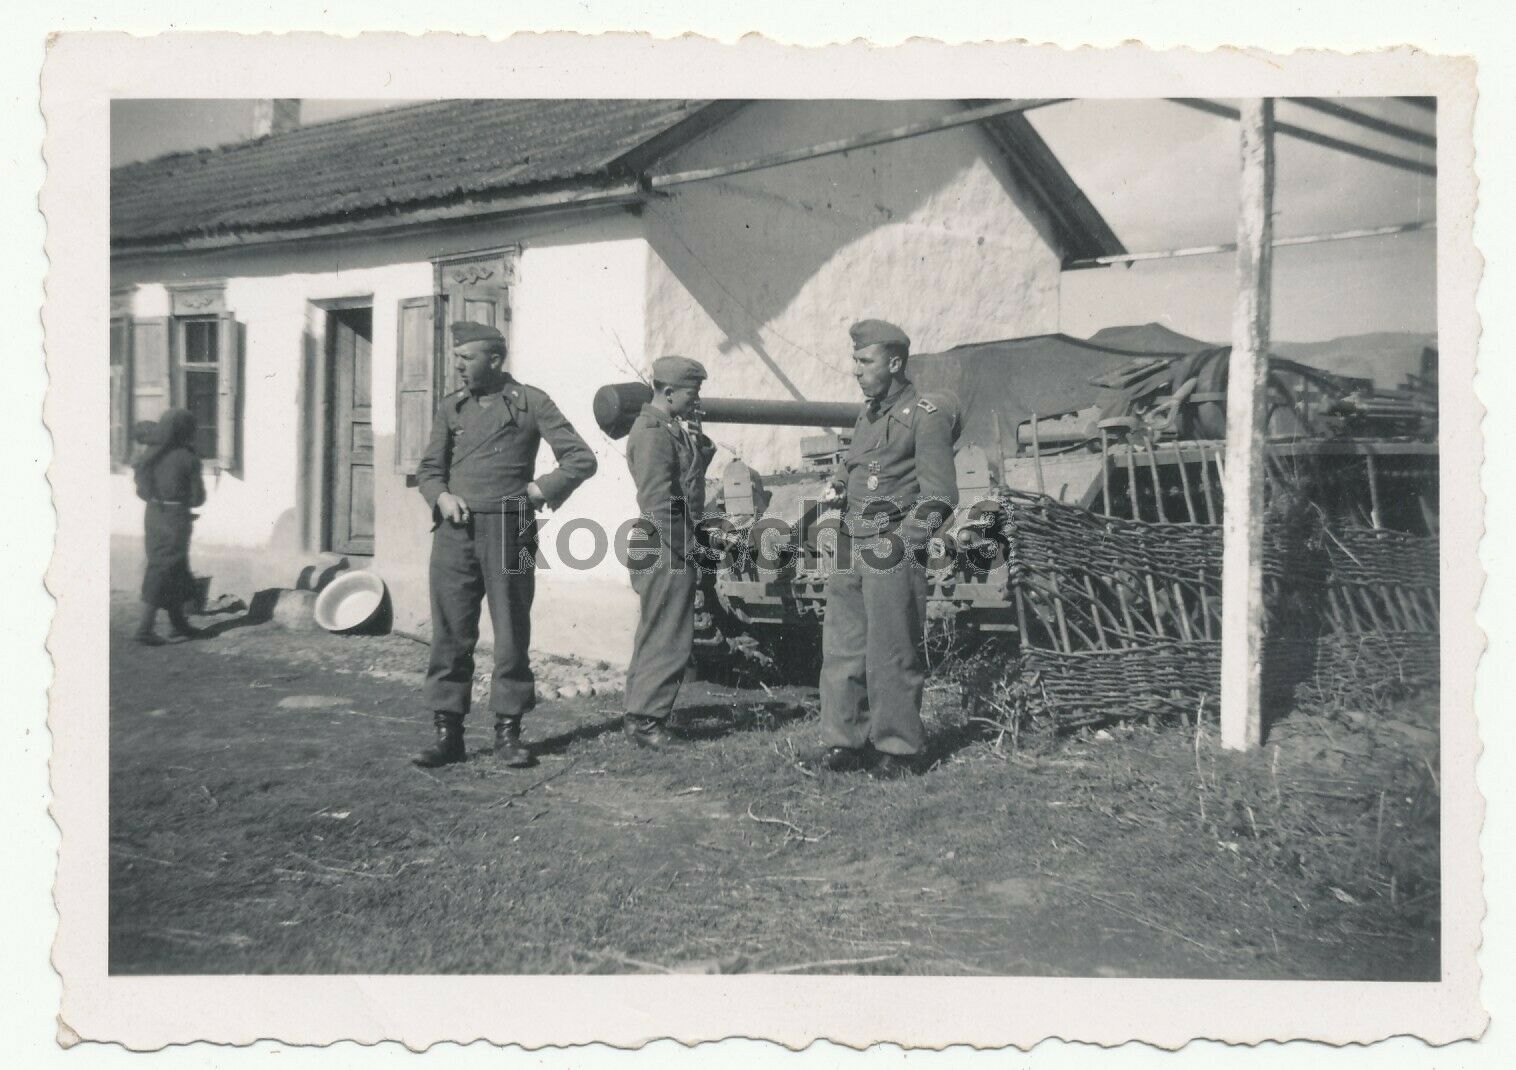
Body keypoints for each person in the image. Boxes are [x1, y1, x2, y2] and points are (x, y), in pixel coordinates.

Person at [413, 322, 598, 769]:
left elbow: (581, 458)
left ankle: (508, 733)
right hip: (455, 533)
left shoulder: (530, 402)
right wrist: (442, 497)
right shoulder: (451, 407)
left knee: (512, 632)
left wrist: (540, 490)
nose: (459, 366)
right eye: (456, 358)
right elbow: (429, 470)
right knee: (450, 633)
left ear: (495, 360)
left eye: (467, 358)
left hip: (512, 528)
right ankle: (448, 735)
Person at [813, 319, 960, 779]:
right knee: (843, 649)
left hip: (892, 546)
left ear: (895, 364)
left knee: (891, 652)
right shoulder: (869, 414)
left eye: (865, 360)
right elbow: (856, 463)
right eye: (854, 360)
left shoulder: (925, 417)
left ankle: (900, 749)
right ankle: (846, 743)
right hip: (851, 543)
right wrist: (838, 484)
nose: (855, 369)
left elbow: (940, 498)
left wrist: (902, 544)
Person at [622, 356, 718, 749]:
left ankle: (640, 715)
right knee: (668, 634)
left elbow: (683, 480)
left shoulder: (668, 428)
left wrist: (701, 449)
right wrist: (691, 547)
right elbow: (659, 501)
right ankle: (648, 721)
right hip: (665, 542)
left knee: (658, 629)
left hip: (668, 540)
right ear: (669, 391)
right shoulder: (652, 433)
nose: (697, 399)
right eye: (693, 391)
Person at [132, 408, 208, 645]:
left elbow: (142, 491)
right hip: (176, 519)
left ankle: (178, 624)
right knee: (163, 568)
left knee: (175, 567)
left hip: (154, 516)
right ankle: (144, 629)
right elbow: (197, 498)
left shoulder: (149, 455)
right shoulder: (188, 458)